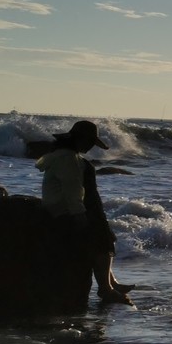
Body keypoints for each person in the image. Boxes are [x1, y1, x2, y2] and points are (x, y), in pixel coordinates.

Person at [35, 120, 130, 304]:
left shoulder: (64, 155)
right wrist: (79, 215)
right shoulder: (67, 159)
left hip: (59, 209)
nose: (90, 147)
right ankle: (106, 288)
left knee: (103, 233)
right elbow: (72, 191)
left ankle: (110, 282)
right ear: (80, 140)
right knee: (102, 238)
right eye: (89, 143)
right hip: (64, 213)